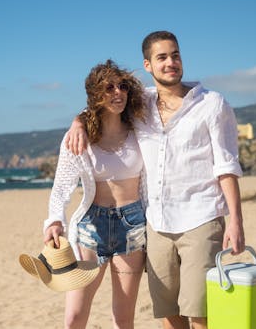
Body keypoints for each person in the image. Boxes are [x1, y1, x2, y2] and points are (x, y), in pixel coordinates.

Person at [66, 31, 245, 329]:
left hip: (201, 217)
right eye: (162, 57)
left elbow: (226, 165)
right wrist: (78, 121)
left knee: (200, 311)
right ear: (148, 65)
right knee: (168, 312)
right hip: (156, 223)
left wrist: (236, 220)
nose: (170, 62)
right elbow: (105, 104)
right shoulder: (141, 105)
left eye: (175, 55)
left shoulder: (212, 104)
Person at [44, 59, 148, 329]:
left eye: (122, 86)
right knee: (75, 317)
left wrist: (77, 118)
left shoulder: (141, 128)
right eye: (109, 87)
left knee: (124, 319)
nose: (118, 93)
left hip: (133, 226)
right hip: (91, 227)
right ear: (95, 95)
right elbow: (61, 187)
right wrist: (55, 220)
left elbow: (160, 94)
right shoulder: (79, 137)